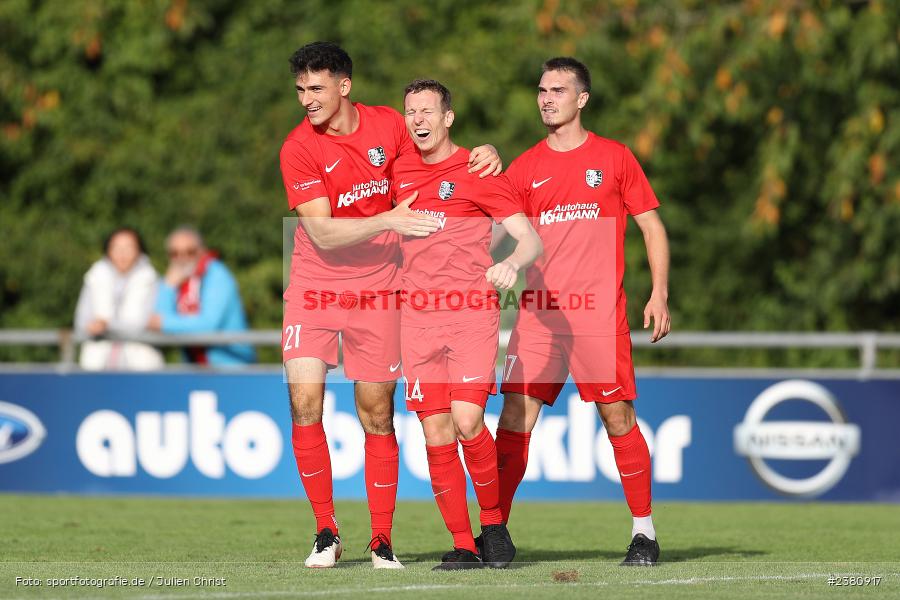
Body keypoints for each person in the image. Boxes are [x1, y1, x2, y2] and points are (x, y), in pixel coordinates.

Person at [278, 42, 502, 569]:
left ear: (344, 87)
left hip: (380, 289)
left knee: (377, 413)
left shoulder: (389, 126)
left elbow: (436, 155)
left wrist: (483, 152)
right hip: (315, 286)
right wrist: (387, 221)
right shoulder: (298, 147)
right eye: (300, 90)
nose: (307, 99)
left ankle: (381, 539)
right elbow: (322, 232)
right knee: (305, 402)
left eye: (316, 88)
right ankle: (326, 531)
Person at [494, 57, 671, 567]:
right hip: (539, 316)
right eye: (541, 90)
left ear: (582, 99)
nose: (546, 98)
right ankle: (496, 533)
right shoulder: (524, 167)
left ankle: (644, 534)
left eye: (557, 90)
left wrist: (659, 292)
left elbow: (652, 226)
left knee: (617, 417)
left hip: (597, 316)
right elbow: (494, 236)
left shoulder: (614, 158)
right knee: (513, 419)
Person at [394, 79, 542, 570]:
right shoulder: (396, 170)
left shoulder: (477, 169)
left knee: (467, 422)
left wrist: (512, 264)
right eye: (411, 111)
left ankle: (494, 526)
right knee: (435, 433)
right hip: (415, 321)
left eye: (427, 111)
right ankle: (463, 543)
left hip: (470, 315)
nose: (418, 120)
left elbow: (529, 239)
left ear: (448, 117)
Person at [148, 226, 255, 366]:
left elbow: (208, 324)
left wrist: (164, 323)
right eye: (175, 253)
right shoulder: (176, 282)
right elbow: (158, 320)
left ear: (202, 251)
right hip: (195, 368)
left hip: (231, 367)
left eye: (190, 252)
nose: (182, 258)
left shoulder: (217, 275)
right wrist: (168, 286)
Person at [74, 228, 164, 370]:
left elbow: (145, 322)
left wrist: (105, 325)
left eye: (128, 247)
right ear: (108, 250)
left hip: (140, 363)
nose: (122, 253)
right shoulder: (95, 277)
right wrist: (95, 327)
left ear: (139, 250)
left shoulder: (151, 279)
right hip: (97, 363)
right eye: (117, 247)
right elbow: (81, 321)